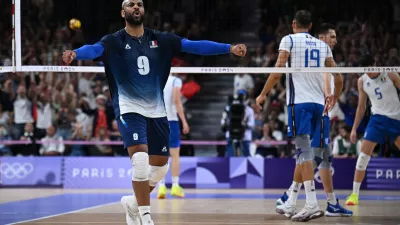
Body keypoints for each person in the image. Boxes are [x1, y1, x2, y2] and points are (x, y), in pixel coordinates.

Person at [62, 0, 246, 224]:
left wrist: (228, 48)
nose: (136, 7)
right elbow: (94, 50)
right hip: (129, 109)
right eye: (131, 4)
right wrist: (75, 53)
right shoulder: (114, 41)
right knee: (139, 160)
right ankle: (145, 216)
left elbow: (195, 45)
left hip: (157, 111)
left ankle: (132, 203)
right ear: (123, 12)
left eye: (139, 4)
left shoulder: (163, 39)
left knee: (160, 169)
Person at [255, 10, 343, 222]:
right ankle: (291, 201)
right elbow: (339, 77)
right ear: (311, 26)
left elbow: (277, 72)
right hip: (319, 106)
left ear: (293, 24)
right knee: (312, 154)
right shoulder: (323, 46)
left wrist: (263, 94)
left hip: (300, 104)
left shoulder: (289, 40)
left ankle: (311, 204)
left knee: (304, 154)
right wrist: (334, 97)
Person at [275, 23, 352, 217]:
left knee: (324, 157)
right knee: (312, 156)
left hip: (321, 111)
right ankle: (290, 197)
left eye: (335, 37)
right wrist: (330, 98)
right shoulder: (321, 58)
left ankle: (331, 203)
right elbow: (328, 80)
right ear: (322, 38)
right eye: (332, 36)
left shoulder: (322, 56)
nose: (335, 40)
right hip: (321, 111)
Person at [345, 54, 400, 205]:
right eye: (365, 70)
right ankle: (354, 195)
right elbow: (362, 106)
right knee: (363, 157)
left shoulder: (390, 74)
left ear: (375, 63)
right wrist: (354, 128)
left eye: (369, 69)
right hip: (376, 120)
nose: (368, 73)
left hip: (396, 119)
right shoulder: (362, 81)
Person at [157, 73, 190, 199]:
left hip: (157, 120)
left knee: (160, 155)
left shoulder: (156, 78)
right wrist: (184, 121)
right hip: (171, 120)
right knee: (175, 155)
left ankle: (161, 187)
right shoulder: (175, 80)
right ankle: (175, 186)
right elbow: (176, 101)